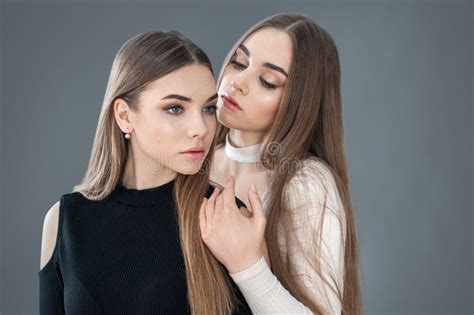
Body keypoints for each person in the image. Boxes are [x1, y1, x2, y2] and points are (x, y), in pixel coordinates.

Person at [38, 30, 253, 315]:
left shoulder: (225, 218)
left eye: (208, 109)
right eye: (175, 108)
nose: (201, 129)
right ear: (125, 116)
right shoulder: (63, 222)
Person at [201, 13, 363, 314]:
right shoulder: (195, 160)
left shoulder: (306, 184)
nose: (237, 83)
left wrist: (247, 264)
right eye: (239, 62)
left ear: (299, 103)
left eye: (267, 81)